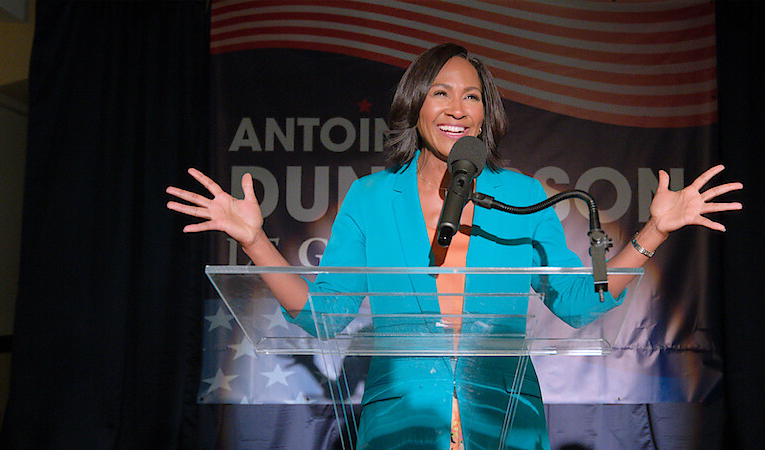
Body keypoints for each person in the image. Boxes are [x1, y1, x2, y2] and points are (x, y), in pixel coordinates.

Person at [167, 43, 742, 449]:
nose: (457, 108)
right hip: (399, 424)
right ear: (416, 104)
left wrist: (654, 231)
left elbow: (578, 302)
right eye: (441, 92)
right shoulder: (371, 198)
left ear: (486, 114)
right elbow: (325, 315)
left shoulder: (522, 194)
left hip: (508, 418)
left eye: (472, 96)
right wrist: (254, 240)